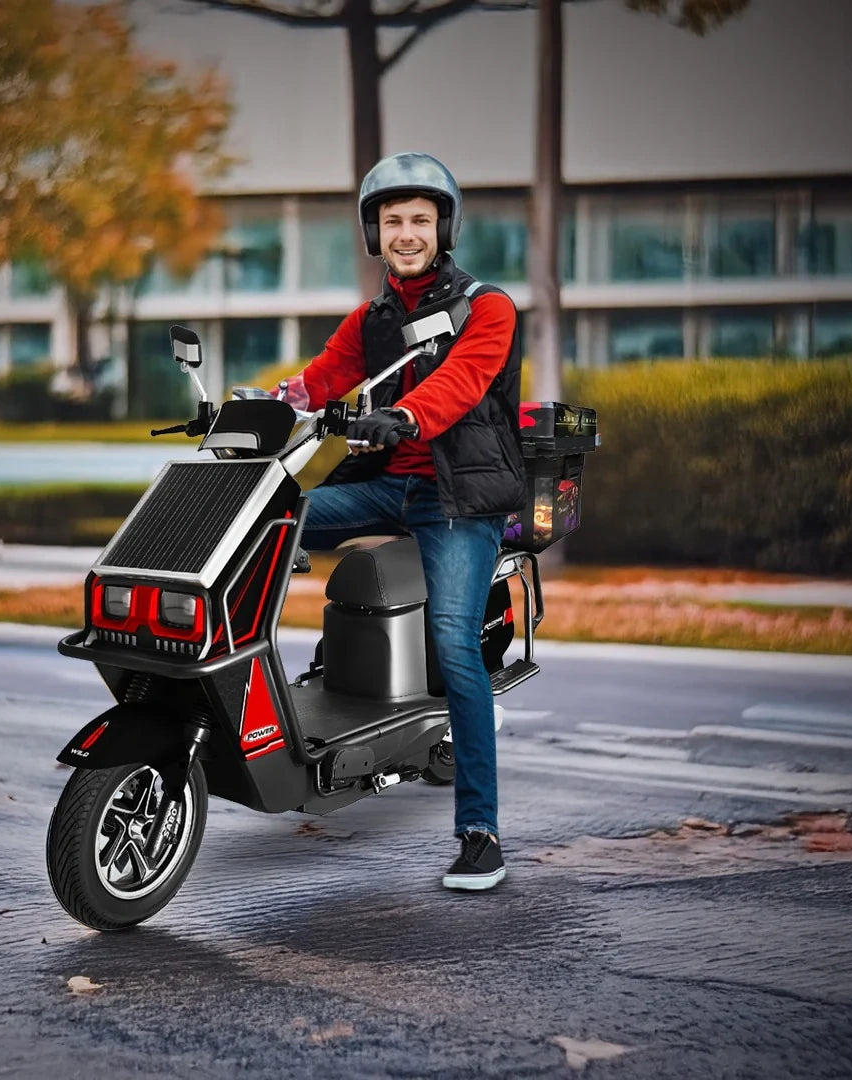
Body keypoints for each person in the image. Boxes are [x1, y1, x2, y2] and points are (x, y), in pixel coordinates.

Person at [275, 152, 526, 890]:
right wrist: (262, 404)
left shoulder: (488, 307)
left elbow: (462, 382)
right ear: (374, 233)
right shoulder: (374, 319)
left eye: (420, 219)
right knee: (272, 517)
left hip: (458, 499)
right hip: (390, 488)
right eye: (392, 221)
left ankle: (480, 833)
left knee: (455, 647)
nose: (406, 233)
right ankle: (313, 687)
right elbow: (319, 379)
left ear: (443, 228)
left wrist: (407, 416)